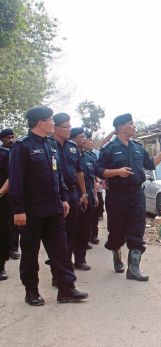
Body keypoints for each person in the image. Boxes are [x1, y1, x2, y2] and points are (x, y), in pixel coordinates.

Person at [9, 106, 88, 305]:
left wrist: (63, 198)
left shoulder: (51, 145)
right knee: (30, 253)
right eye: (51, 120)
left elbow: (57, 174)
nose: (53, 123)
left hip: (54, 209)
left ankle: (66, 289)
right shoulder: (22, 146)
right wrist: (18, 210)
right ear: (40, 123)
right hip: (32, 211)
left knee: (60, 252)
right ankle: (32, 291)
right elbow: (16, 180)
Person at [95, 113, 161, 281]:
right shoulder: (109, 149)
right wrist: (117, 172)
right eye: (131, 123)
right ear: (121, 127)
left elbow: (150, 164)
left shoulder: (138, 147)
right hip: (116, 196)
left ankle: (133, 269)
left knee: (137, 229)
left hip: (137, 194)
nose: (134, 126)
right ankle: (116, 253)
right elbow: (98, 170)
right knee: (116, 232)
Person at [53, 113, 89, 270]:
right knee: (56, 235)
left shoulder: (72, 148)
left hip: (73, 193)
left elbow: (79, 172)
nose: (69, 129)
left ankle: (67, 265)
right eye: (65, 126)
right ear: (55, 128)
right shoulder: (48, 145)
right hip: (55, 194)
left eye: (69, 126)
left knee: (72, 231)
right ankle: (58, 269)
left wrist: (84, 193)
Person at [70, 127, 97, 270]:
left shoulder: (88, 156)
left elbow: (91, 176)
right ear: (73, 138)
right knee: (72, 232)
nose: (85, 139)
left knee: (85, 231)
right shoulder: (68, 155)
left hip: (89, 199)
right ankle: (66, 262)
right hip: (74, 199)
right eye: (81, 137)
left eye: (85, 137)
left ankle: (80, 260)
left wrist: (94, 195)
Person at [0, 129, 20, 261]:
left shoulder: (17, 152)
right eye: (8, 137)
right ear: (2, 139)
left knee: (15, 222)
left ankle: (13, 249)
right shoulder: (1, 154)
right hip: (3, 193)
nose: (11, 140)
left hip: (15, 193)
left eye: (12, 137)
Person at [0, 128, 14, 280]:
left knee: (3, 232)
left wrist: (1, 192)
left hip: (3, 200)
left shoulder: (5, 154)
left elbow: (11, 176)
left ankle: (1, 266)